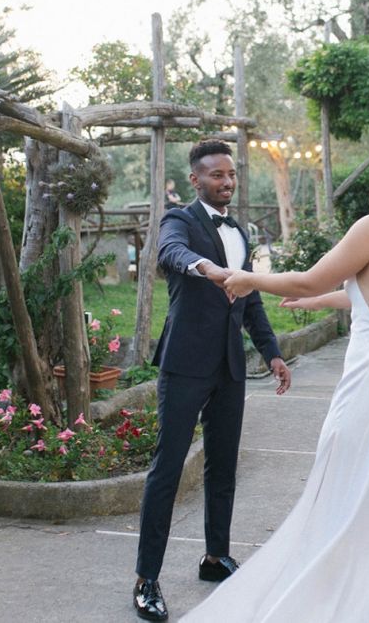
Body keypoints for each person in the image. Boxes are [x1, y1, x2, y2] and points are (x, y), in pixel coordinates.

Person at [180, 128, 369, 622]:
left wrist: (250, 280)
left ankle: (335, 599)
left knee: (343, 490)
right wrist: (317, 300)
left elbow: (311, 275)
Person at [133, 140, 292, 622]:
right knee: (167, 469)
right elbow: (172, 253)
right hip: (184, 364)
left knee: (223, 466)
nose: (226, 182)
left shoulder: (239, 230)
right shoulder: (178, 220)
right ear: (195, 181)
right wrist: (208, 268)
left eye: (231, 175)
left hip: (229, 367)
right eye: (216, 175)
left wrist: (272, 352)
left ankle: (214, 556)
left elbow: (252, 300)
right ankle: (146, 580)